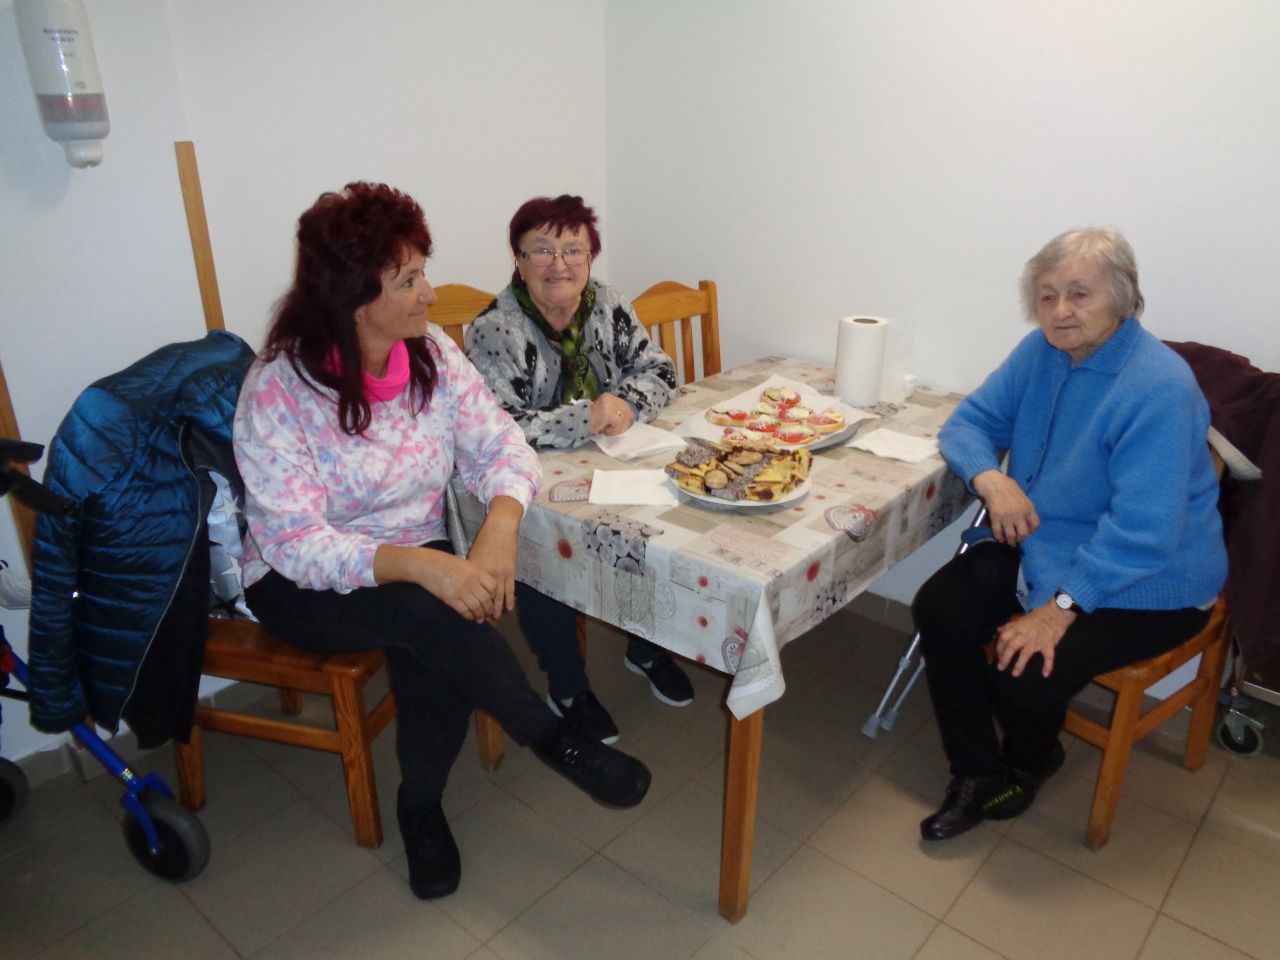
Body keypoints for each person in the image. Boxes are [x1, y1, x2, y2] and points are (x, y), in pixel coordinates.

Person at [233, 182, 651, 900]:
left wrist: (499, 528)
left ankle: (420, 806)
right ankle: (551, 741)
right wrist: (425, 568)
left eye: (422, 271)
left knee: (432, 630)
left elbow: (503, 445)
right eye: (408, 280)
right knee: (431, 611)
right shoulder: (279, 390)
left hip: (418, 564)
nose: (429, 293)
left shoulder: (431, 356)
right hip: (302, 582)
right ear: (354, 298)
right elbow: (294, 541)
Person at [912, 227, 1226, 841]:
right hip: (1047, 542)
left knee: (1023, 674)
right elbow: (968, 423)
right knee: (941, 607)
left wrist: (1058, 609)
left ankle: (1031, 760)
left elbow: (1145, 532)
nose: (1060, 311)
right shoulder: (1041, 353)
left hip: (1151, 577)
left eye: (1080, 294)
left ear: (1123, 297)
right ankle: (976, 771)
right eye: (1048, 295)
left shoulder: (1159, 386)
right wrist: (992, 480)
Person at [465, 194, 693, 744]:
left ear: (590, 257)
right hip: (524, 479)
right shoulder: (496, 328)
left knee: (650, 519)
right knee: (546, 542)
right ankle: (567, 685)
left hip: (610, 461)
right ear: (518, 258)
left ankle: (645, 647)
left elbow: (659, 368)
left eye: (574, 250)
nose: (559, 264)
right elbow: (498, 425)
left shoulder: (607, 303)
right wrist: (584, 417)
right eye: (542, 249)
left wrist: (627, 405)